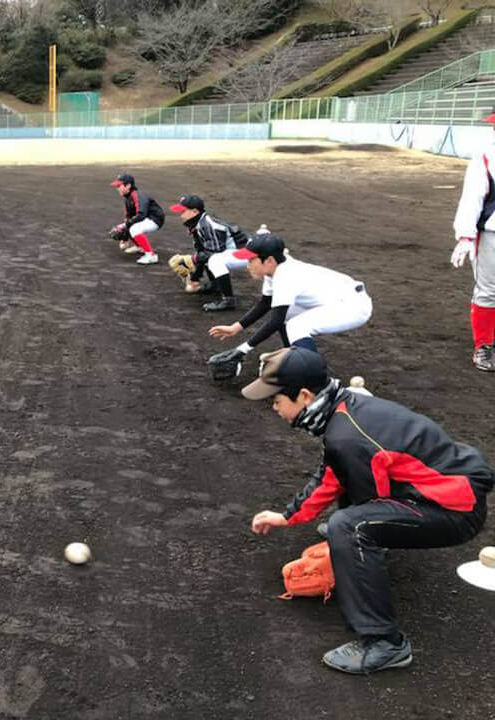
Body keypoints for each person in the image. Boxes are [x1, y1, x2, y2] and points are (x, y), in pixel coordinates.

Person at [245, 346, 491, 674]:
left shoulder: (346, 436)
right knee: (347, 520)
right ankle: (365, 553)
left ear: (304, 396)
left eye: (276, 400)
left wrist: (344, 552)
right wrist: (290, 515)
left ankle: (385, 643)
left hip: (456, 510)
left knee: (349, 528)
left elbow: (367, 504)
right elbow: (333, 472)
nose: (273, 407)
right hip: (445, 490)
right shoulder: (345, 408)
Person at [208, 233, 372, 371]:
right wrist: (235, 328)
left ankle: (313, 377)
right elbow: (265, 303)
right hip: (337, 300)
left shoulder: (286, 275)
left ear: (269, 261)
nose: (248, 265)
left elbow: (275, 321)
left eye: (251, 260)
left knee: (297, 325)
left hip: (353, 306)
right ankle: (295, 359)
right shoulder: (275, 269)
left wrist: (242, 350)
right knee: (288, 314)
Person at [451, 110, 495, 372]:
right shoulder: (486, 154)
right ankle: (484, 346)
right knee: (489, 291)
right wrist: (466, 234)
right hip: (492, 232)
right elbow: (473, 197)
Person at [169, 194, 251, 311]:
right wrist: (195, 278)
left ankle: (228, 300)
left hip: (249, 253)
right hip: (235, 252)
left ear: (194, 211)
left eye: (183, 211)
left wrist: (192, 260)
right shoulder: (196, 225)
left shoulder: (208, 226)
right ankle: (215, 285)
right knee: (207, 256)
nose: (180, 214)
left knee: (215, 260)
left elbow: (214, 253)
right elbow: (202, 251)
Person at [110, 172, 165, 265]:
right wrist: (125, 237)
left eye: (119, 186)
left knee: (134, 228)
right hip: (146, 218)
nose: (117, 188)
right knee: (129, 225)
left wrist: (126, 225)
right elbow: (129, 217)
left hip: (155, 219)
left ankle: (151, 255)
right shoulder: (127, 198)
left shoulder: (138, 196)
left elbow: (141, 214)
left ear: (128, 186)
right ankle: (140, 247)